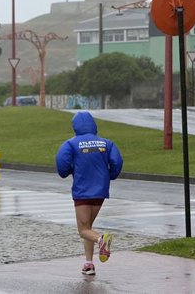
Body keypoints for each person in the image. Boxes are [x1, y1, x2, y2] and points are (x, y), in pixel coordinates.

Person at [55, 111, 123, 276]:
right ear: (94, 125)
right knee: (88, 228)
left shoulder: (71, 144)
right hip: (100, 191)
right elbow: (117, 162)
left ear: (75, 126)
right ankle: (89, 263)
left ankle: (102, 240)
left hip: (82, 191)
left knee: (83, 230)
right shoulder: (107, 143)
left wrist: (69, 171)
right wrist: (111, 175)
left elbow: (62, 164)